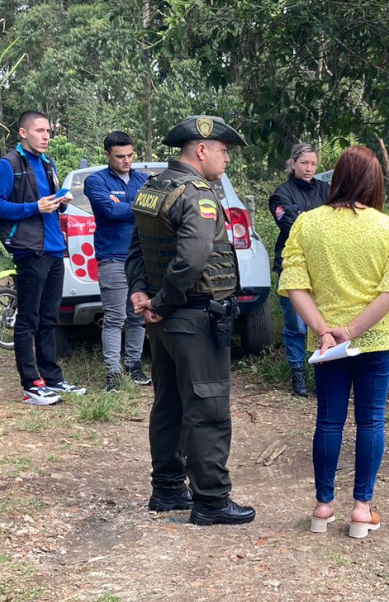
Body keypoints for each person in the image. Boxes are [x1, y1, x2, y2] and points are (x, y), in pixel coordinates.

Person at [279, 145, 389, 539]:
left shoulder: (307, 224)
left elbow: (294, 284)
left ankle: (323, 507)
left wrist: (325, 330)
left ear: (334, 178)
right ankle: (361, 509)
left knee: (328, 420)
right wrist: (353, 330)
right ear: (374, 182)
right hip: (375, 341)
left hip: (327, 347)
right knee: (371, 419)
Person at [127, 115, 255, 525]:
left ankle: (167, 489)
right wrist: (161, 300)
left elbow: (137, 247)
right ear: (201, 150)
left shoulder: (153, 187)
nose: (226, 160)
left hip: (163, 321)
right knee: (207, 407)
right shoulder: (197, 193)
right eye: (223, 151)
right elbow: (193, 259)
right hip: (194, 317)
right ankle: (211, 501)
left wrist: (141, 294)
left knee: (168, 404)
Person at [0, 110, 87, 405]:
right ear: (23, 132)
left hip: (55, 248)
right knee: (28, 318)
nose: (46, 137)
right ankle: (31, 384)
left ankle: (53, 379)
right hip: (29, 248)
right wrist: (34, 207)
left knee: (49, 317)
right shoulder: (9, 164)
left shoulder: (47, 162)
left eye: (48, 132)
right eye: (40, 131)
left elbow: (50, 204)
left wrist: (61, 202)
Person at [84, 131, 152, 393]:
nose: (126, 161)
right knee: (114, 317)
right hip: (112, 257)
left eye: (130, 155)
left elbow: (153, 211)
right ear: (107, 155)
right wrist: (137, 206)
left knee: (138, 316)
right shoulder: (95, 181)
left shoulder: (142, 179)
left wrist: (124, 204)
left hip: (141, 258)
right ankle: (112, 373)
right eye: (120, 156)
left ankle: (133, 366)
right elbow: (109, 212)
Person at [269, 143, 331, 397]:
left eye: (313, 164)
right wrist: (319, 223)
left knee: (324, 322)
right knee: (296, 324)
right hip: (292, 267)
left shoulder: (326, 190)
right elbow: (290, 226)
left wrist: (306, 217)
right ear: (293, 163)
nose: (309, 168)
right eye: (304, 163)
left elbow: (338, 219)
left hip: (324, 267)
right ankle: (298, 374)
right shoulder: (280, 194)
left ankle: (324, 372)